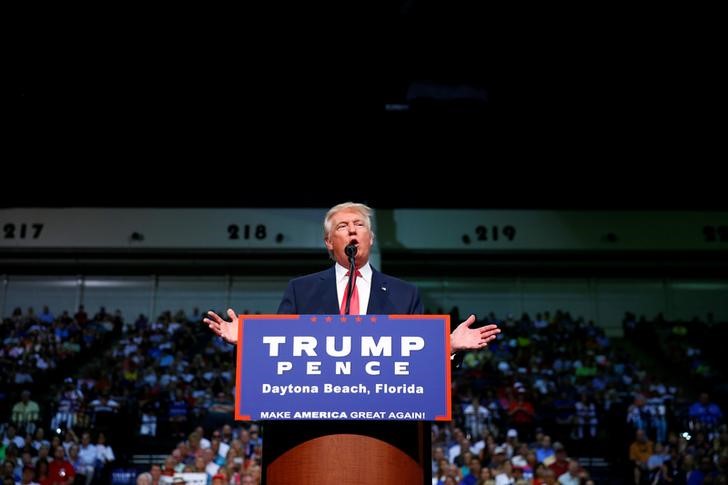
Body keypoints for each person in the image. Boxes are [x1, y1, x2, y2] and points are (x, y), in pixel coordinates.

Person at [204, 201, 501, 354]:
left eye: (359, 224)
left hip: (385, 415)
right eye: (343, 226)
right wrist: (250, 342)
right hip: (316, 412)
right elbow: (283, 346)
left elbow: (417, 354)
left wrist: (448, 345)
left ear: (370, 238)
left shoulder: (404, 294)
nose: (352, 230)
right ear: (328, 243)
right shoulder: (301, 290)